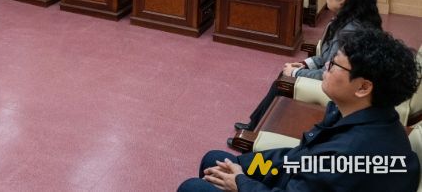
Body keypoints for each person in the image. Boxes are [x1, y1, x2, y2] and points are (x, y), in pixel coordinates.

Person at [179, 26, 421, 192]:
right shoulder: (359, 113)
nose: (326, 66)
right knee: (216, 160)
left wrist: (241, 183)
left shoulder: (349, 155)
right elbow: (297, 159)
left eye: (335, 64)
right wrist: (245, 164)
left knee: (193, 187)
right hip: (299, 177)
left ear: (363, 87)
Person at [232, 0, 382, 134]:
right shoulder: (347, 20)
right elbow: (326, 57)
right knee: (285, 76)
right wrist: (305, 63)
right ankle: (256, 124)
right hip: (335, 78)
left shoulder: (349, 33)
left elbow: (329, 74)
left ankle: (253, 131)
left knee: (283, 82)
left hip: (339, 89)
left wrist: (295, 73)